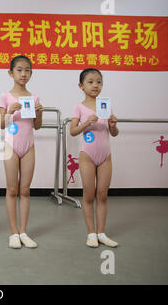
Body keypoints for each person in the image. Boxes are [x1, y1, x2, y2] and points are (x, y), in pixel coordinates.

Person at [70, 68, 119, 248]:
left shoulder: (106, 105)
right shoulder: (79, 107)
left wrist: (113, 125)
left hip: (106, 156)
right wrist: (86, 123)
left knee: (103, 195)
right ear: (81, 86)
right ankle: (91, 233)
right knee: (89, 195)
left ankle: (102, 233)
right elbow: (73, 131)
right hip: (87, 156)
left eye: (98, 81)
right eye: (90, 82)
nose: (95, 85)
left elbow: (113, 133)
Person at [0, 55, 43, 249]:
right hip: (10, 145)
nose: (23, 74)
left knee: (25, 190)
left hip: (28, 146)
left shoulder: (34, 98)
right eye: (19, 70)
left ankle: (24, 231)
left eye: (27, 70)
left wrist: (39, 112)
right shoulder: (6, 96)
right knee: (12, 189)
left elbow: (37, 126)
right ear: (11, 73)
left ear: (31, 73)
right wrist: (9, 112)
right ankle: (13, 232)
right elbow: (2, 124)